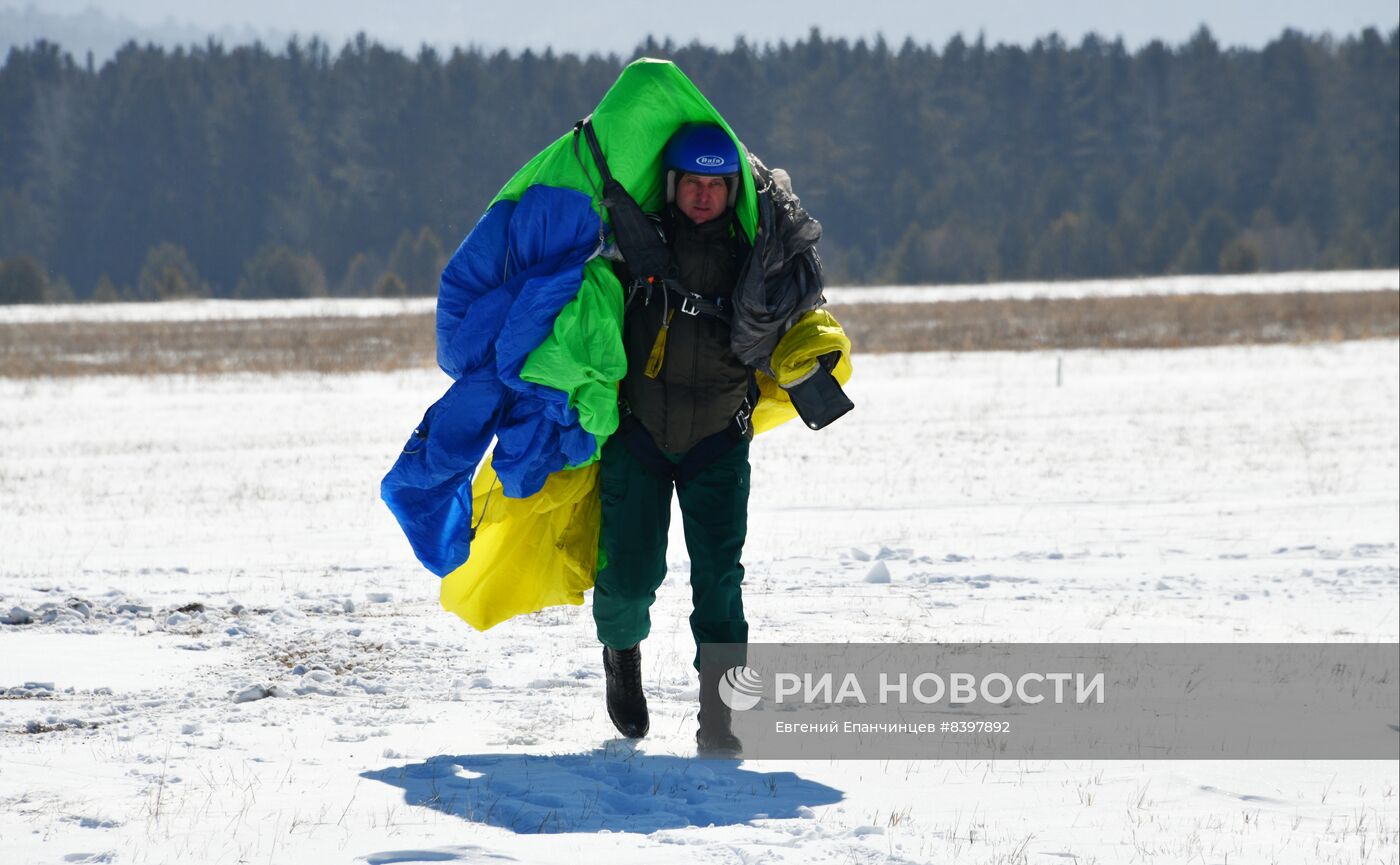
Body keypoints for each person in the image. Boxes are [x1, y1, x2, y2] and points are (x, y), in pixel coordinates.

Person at [592, 123, 757, 756]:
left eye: (717, 184)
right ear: (672, 185)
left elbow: (797, 320)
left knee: (720, 585)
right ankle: (620, 652)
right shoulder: (635, 243)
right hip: (640, 437)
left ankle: (723, 717)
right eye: (693, 182)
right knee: (630, 579)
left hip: (718, 441)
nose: (704, 194)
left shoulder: (756, 255)